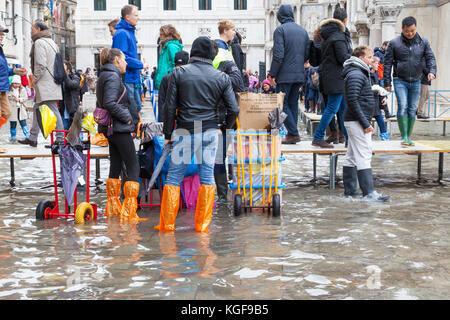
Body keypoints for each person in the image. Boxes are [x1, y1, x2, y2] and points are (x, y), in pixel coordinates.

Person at [155, 36, 239, 233]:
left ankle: (167, 225)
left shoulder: (179, 73)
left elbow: (169, 107)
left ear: (193, 51)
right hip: (210, 131)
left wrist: (168, 133)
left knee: (174, 177)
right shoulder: (222, 77)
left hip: (185, 130)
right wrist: (223, 128)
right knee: (207, 176)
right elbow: (234, 109)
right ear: (212, 54)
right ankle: (202, 226)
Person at [96, 48, 144, 223]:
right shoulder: (112, 77)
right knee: (132, 166)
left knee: (115, 166)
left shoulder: (106, 75)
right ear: (116, 60)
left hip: (111, 129)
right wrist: (128, 119)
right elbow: (109, 102)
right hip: (120, 128)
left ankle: (113, 208)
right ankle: (129, 212)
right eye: (124, 59)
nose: (126, 63)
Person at [342, 46, 390, 202]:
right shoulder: (356, 73)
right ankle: (369, 193)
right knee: (364, 153)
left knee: (351, 156)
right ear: (361, 58)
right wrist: (365, 123)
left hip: (354, 119)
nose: (372, 60)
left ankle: (350, 191)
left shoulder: (358, 72)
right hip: (356, 120)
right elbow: (352, 100)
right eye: (370, 57)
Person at [383, 16, 436, 146]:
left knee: (412, 108)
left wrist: (432, 71)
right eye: (407, 31)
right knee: (403, 105)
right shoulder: (394, 43)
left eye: (412, 30)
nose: (410, 33)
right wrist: (387, 83)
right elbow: (387, 63)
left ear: (415, 28)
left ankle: (409, 136)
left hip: (417, 80)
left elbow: (430, 58)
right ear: (402, 29)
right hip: (399, 79)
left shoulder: (423, 42)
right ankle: (404, 136)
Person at [19, 20, 64, 148]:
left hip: (45, 83)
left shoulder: (39, 42)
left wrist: (34, 80)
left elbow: (40, 64)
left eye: (32, 28)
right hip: (52, 81)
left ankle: (60, 139)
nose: (30, 31)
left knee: (53, 110)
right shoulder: (52, 42)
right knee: (37, 108)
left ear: (38, 29)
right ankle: (33, 138)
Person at [311, 8, 352, 148]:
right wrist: (353, 57)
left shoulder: (327, 36)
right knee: (332, 108)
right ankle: (317, 137)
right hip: (337, 78)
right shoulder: (339, 36)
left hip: (329, 77)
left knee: (342, 109)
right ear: (345, 21)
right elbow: (343, 58)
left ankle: (348, 139)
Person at [270, 4, 310, 145]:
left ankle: (293, 133)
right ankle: (292, 134)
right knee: (292, 103)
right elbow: (306, 54)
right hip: (299, 74)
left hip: (284, 75)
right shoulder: (303, 31)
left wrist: (272, 73)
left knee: (281, 103)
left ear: (280, 16)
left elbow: (278, 55)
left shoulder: (280, 30)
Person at [212, 39, 245, 203]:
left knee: (220, 158)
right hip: (206, 122)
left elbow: (238, 83)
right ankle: (214, 196)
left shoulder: (226, 65)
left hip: (222, 121)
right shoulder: (196, 68)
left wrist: (215, 78)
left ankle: (222, 197)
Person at [112, 4, 144, 113]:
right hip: (127, 78)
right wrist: (140, 64)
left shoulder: (128, 32)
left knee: (136, 108)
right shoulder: (122, 33)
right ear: (127, 17)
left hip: (133, 77)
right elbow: (121, 58)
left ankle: (133, 130)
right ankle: (130, 130)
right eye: (135, 15)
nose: (138, 18)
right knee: (132, 110)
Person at [0, 25, 26, 152]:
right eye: (0, 34)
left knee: (7, 113)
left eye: (2, 34)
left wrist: (14, 71)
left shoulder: (0, 50)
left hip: (3, 88)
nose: (2, 36)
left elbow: (3, 70)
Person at [158, 50, 189, 122]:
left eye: (182, 66)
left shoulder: (167, 78)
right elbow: (162, 102)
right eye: (178, 66)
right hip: (187, 120)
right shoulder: (167, 79)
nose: (179, 69)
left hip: (181, 120)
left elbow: (162, 103)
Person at [154, 24, 183, 90]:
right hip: (165, 81)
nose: (160, 36)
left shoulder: (171, 46)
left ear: (168, 35)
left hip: (168, 82)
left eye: (161, 34)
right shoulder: (165, 46)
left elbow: (175, 64)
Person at [369, 56, 390, 141]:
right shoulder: (367, 74)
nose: (378, 65)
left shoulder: (376, 73)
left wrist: (384, 97)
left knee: (380, 120)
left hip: (376, 102)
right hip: (368, 102)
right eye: (377, 63)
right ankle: (367, 139)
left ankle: (385, 137)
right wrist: (377, 91)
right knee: (368, 121)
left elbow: (380, 87)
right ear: (372, 63)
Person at [8, 75, 29, 143]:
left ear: (20, 83)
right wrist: (12, 98)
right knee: (13, 123)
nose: (16, 85)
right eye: (15, 83)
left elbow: (26, 98)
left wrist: (19, 99)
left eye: (18, 83)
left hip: (20, 108)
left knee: (23, 122)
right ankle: (13, 137)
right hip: (12, 108)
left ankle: (27, 136)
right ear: (12, 83)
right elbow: (6, 97)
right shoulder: (9, 90)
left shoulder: (23, 89)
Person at [60, 61, 81, 130]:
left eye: (63, 68)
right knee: (64, 131)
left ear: (68, 70)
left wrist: (65, 75)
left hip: (73, 109)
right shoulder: (60, 80)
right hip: (63, 110)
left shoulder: (75, 77)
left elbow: (71, 85)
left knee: (75, 133)